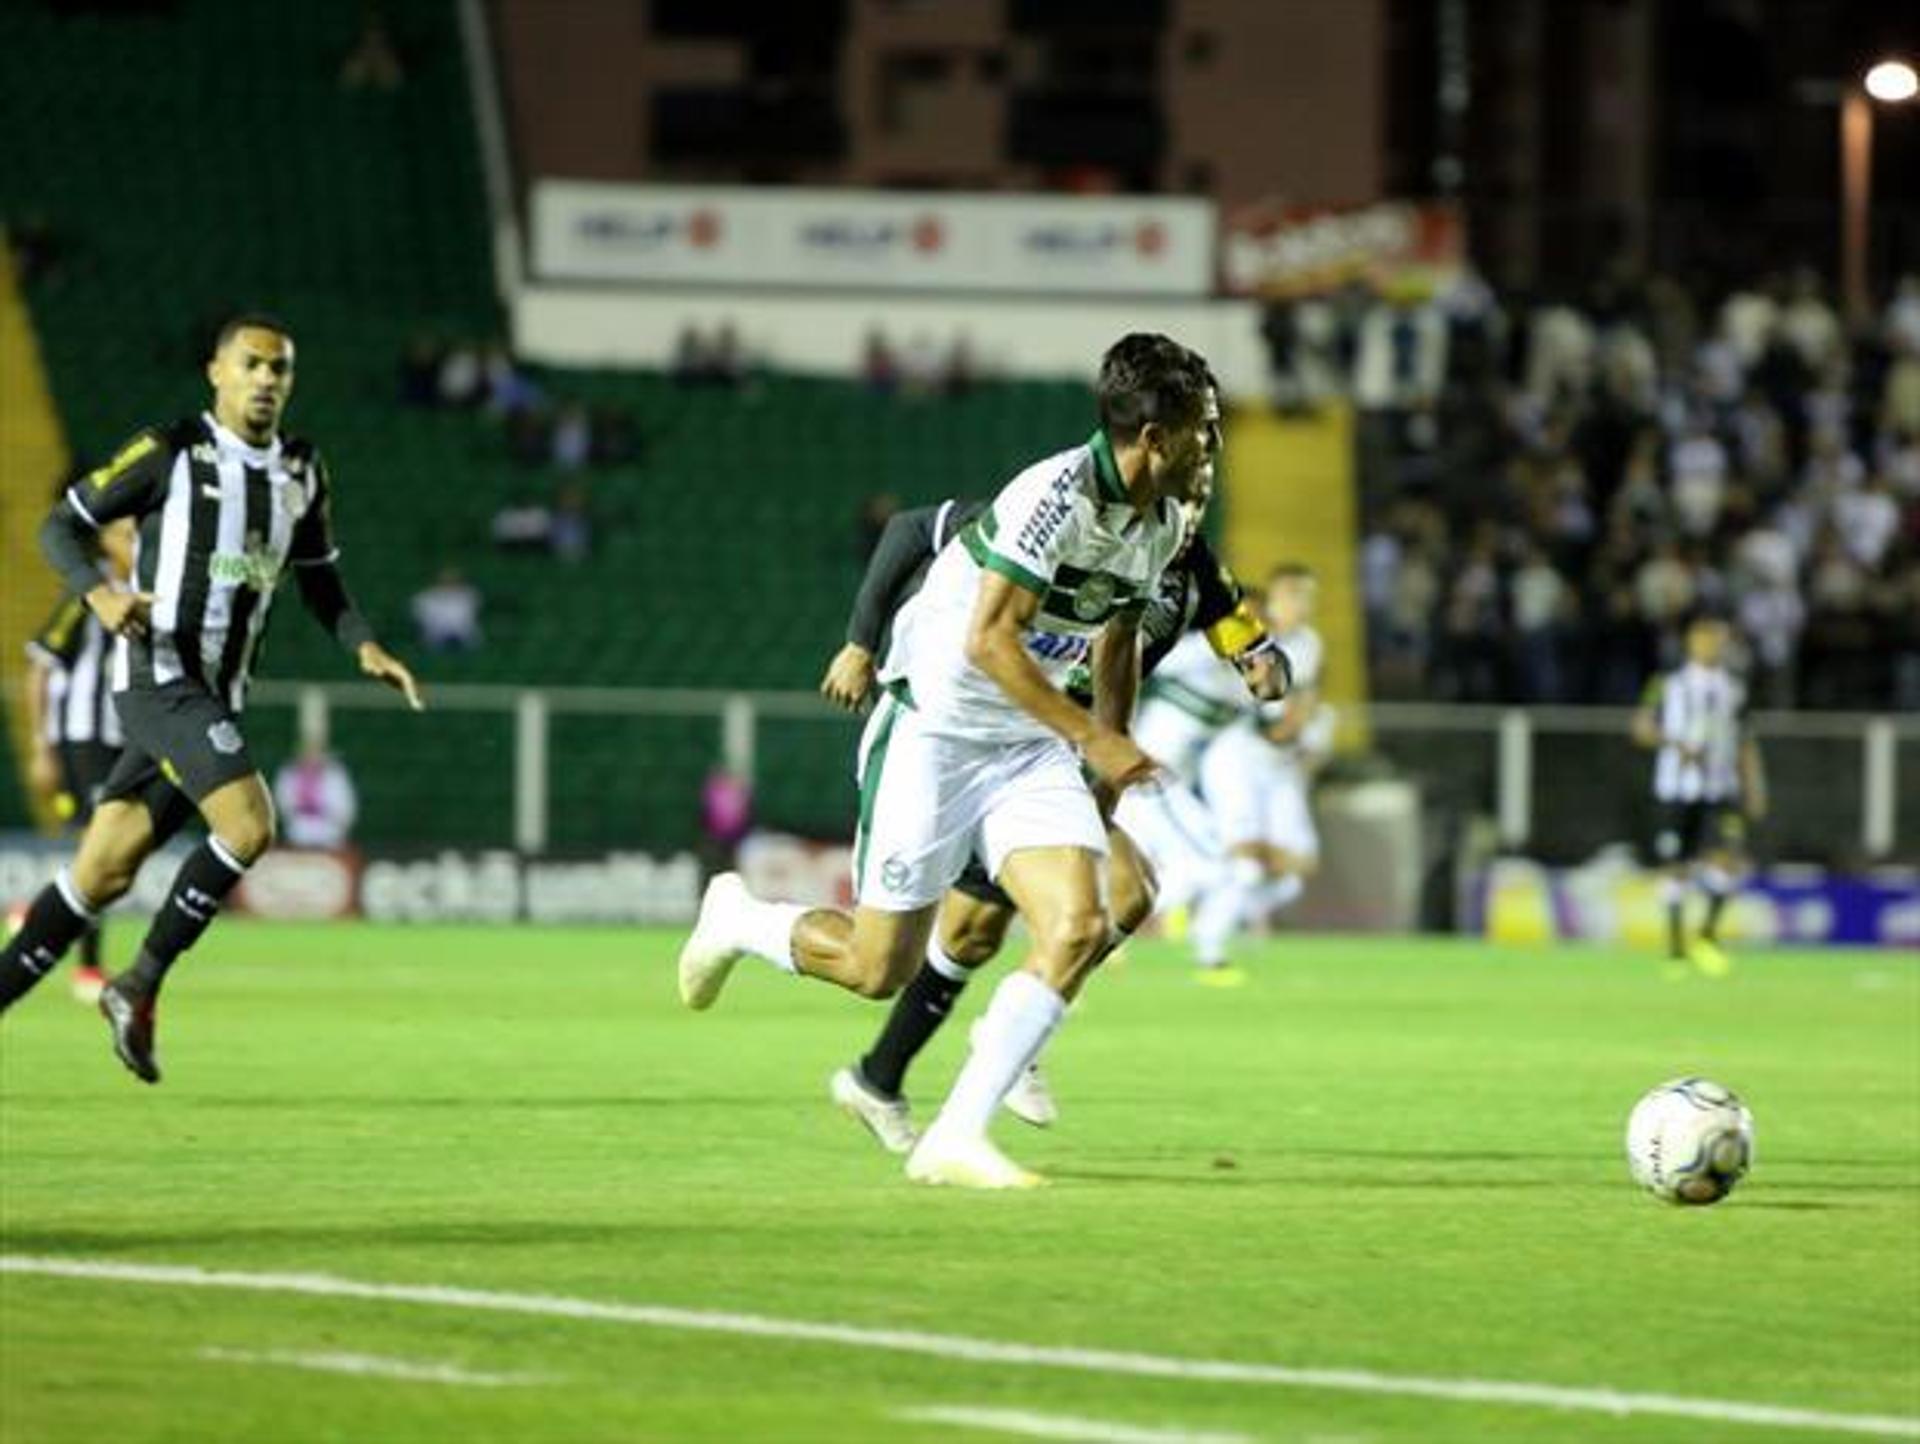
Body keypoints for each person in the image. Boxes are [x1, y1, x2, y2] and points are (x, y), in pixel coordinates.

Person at [677, 334, 1218, 1188]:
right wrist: (1093, 738)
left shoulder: (1161, 526)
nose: (1211, 447)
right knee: (874, 968)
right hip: (935, 731)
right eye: (1202, 428)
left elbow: (1116, 646)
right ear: (1154, 437)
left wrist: (1109, 769)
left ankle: (956, 1136)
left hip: (1030, 744)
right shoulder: (1053, 494)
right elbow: (990, 641)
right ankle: (743, 921)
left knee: (1080, 924)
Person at [0, 314, 424, 1081]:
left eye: (280, 369)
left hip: (216, 698)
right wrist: (97, 594)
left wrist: (363, 642)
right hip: (160, 679)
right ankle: (138, 983)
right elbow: (60, 525)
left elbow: (321, 577)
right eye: (252, 364)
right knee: (250, 824)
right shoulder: (169, 453)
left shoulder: (302, 471)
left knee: (99, 875)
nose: (266, 379)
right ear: (217, 372)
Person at [814, 473, 1285, 1156]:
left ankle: (905, 1074)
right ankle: (936, 1062)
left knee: (1106, 900)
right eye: (1180, 498)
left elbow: (1251, 644)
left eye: (1199, 502)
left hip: (1057, 754)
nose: (1187, 513)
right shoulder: (1049, 520)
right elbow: (912, 530)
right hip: (1007, 733)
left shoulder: (1196, 570)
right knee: (947, 940)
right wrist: (861, 642)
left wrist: (1264, 668)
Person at [1190, 565, 1328, 981]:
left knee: (1298, 867)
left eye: (1307, 598)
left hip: (1277, 761)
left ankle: (1214, 889)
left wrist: (1299, 729)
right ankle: (1209, 947)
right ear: (1274, 598)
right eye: (1293, 596)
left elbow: (1299, 707)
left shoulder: (1308, 644)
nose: (1301, 606)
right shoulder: (1244, 633)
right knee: (1246, 859)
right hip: (1236, 753)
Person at [21, 510, 136, 1004]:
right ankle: (88, 968)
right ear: (106, 542)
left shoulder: (157, 588)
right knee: (100, 845)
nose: (137, 542)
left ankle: (39, 913)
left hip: (122, 739)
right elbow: (40, 666)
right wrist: (41, 748)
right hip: (82, 737)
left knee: (111, 848)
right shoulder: (91, 593)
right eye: (128, 534)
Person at [1630, 611, 1765, 977]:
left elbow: (1745, 741)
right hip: (1676, 789)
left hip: (1720, 789)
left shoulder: (1735, 688)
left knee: (1727, 858)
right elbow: (1641, 727)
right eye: (1704, 637)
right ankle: (1675, 949)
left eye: (1717, 637)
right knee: (1676, 867)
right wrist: (1675, 744)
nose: (1711, 644)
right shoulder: (1667, 683)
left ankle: (1707, 937)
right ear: (1691, 641)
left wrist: (1754, 786)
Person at [273, 737, 359, 850]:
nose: (311, 759)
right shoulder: (289, 773)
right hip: (298, 831)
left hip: (330, 832)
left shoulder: (336, 775)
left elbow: (345, 808)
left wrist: (321, 808)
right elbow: (283, 805)